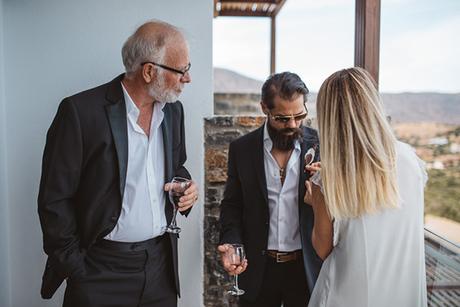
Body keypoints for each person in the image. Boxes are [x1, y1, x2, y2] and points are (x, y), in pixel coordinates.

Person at [37, 20, 199, 307]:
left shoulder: (174, 112)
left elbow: (176, 168)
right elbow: (54, 199)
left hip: (160, 268)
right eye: (182, 70)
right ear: (149, 71)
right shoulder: (79, 112)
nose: (187, 78)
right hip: (99, 272)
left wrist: (185, 188)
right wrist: (78, 269)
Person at [304, 67, 427, 307]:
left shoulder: (328, 180)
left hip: (347, 296)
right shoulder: (410, 160)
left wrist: (315, 200)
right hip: (403, 294)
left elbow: (322, 248)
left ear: (330, 118)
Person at [218, 72, 323, 307]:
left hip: (306, 268)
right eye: (283, 118)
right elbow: (232, 205)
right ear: (264, 108)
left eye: (300, 116)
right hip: (258, 269)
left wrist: (325, 186)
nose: (293, 125)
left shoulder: (321, 146)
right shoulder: (242, 149)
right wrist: (231, 242)